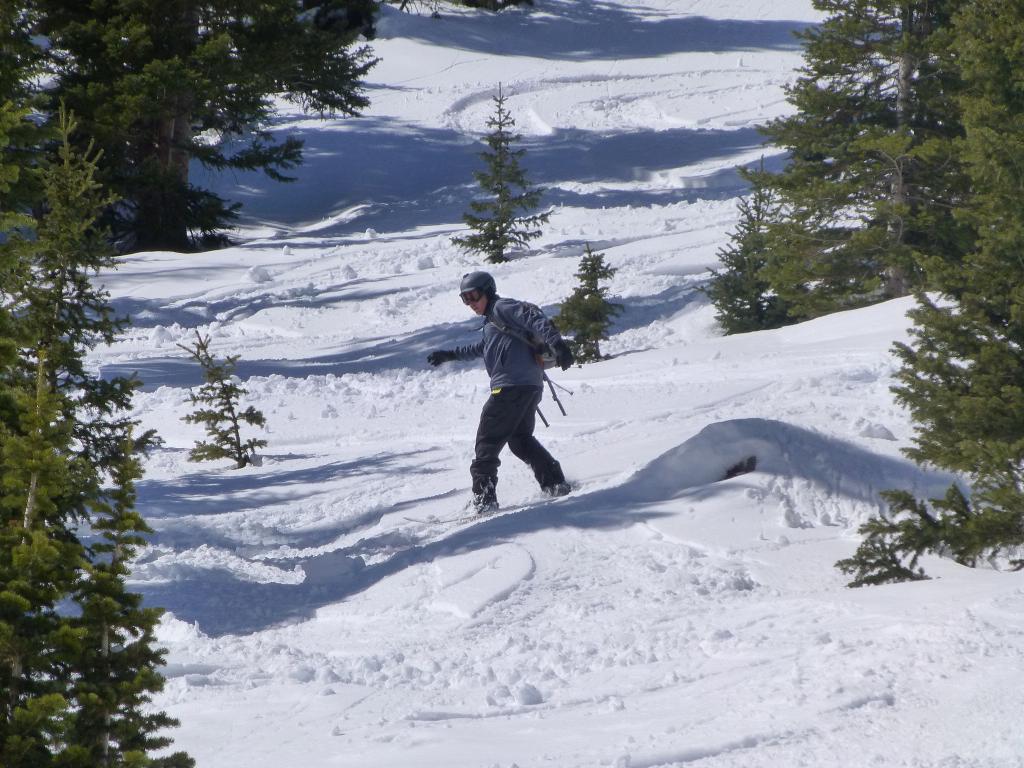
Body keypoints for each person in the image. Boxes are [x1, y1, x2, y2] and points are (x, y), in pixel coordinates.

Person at [427, 271, 575, 514]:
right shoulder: (491, 324)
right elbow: (480, 348)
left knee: (486, 444)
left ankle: (485, 502)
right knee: (520, 440)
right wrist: (450, 355)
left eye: (473, 296)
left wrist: (557, 343)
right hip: (528, 387)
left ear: (488, 290)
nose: (471, 303)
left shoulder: (502, 307)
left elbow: (533, 318)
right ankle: (555, 483)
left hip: (510, 388)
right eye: (465, 299)